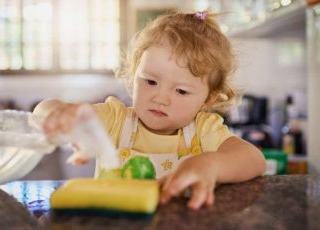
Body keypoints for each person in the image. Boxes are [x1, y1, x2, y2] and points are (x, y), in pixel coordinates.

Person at [33, 12, 266, 210]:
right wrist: (58, 112)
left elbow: (255, 160)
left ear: (208, 98)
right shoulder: (116, 119)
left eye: (181, 91)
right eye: (150, 82)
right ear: (134, 74)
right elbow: (43, 111)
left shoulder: (203, 130)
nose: (160, 98)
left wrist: (210, 165)